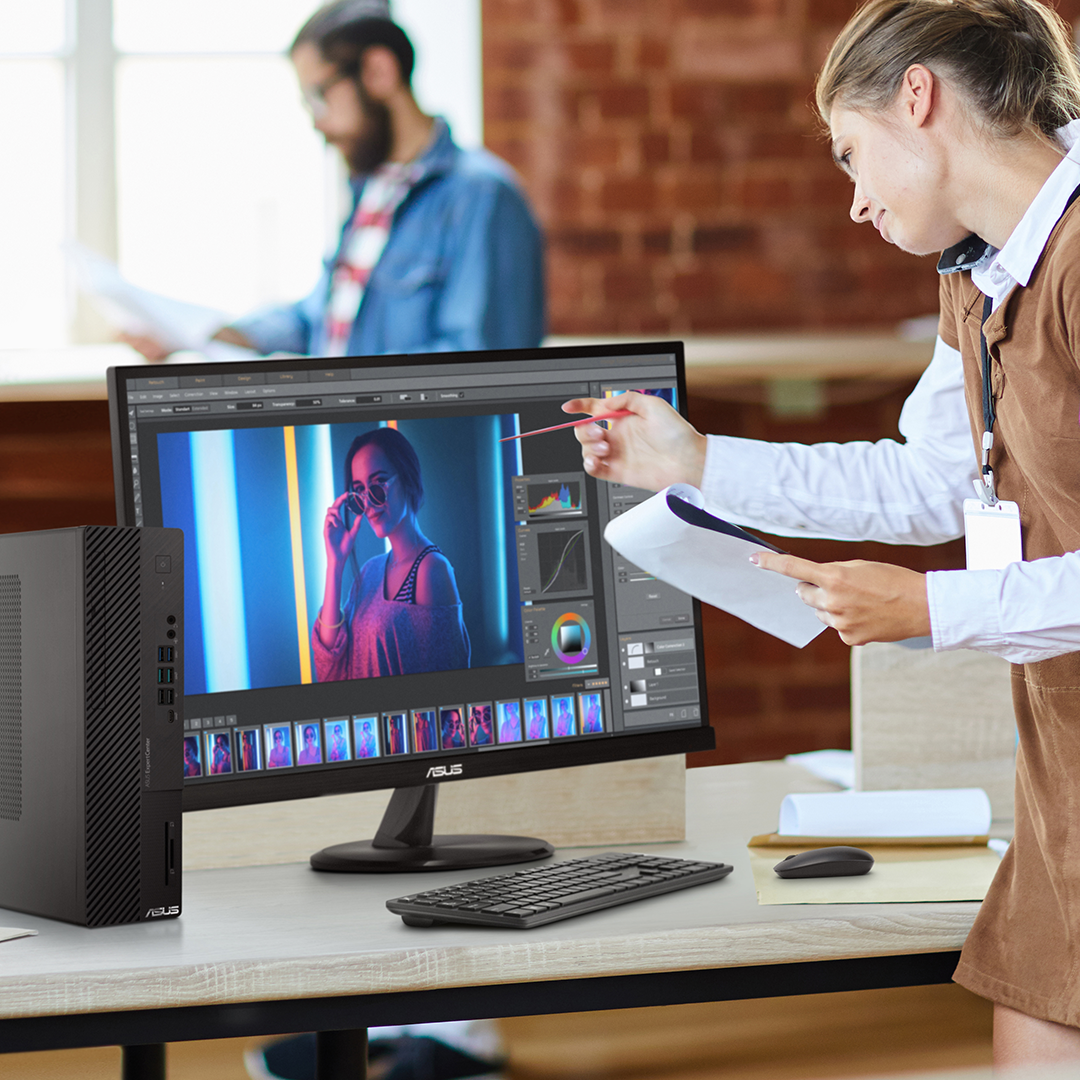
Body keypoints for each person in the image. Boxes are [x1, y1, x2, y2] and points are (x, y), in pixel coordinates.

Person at [566, 0, 1080, 1063]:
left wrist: (929, 607)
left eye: (851, 154)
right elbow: (933, 484)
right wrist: (694, 463)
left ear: (919, 96)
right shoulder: (979, 273)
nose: (854, 200)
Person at [128, 0, 544, 363]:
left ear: (378, 72)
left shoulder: (482, 196)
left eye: (319, 96)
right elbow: (320, 321)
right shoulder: (374, 192)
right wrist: (205, 332)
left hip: (417, 449)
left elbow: (483, 363)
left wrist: (338, 385)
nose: (316, 122)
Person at [313, 426, 469, 680]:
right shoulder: (370, 571)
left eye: (378, 485)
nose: (370, 503)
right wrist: (335, 565)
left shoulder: (430, 570)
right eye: (360, 492)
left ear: (406, 477)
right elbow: (329, 662)